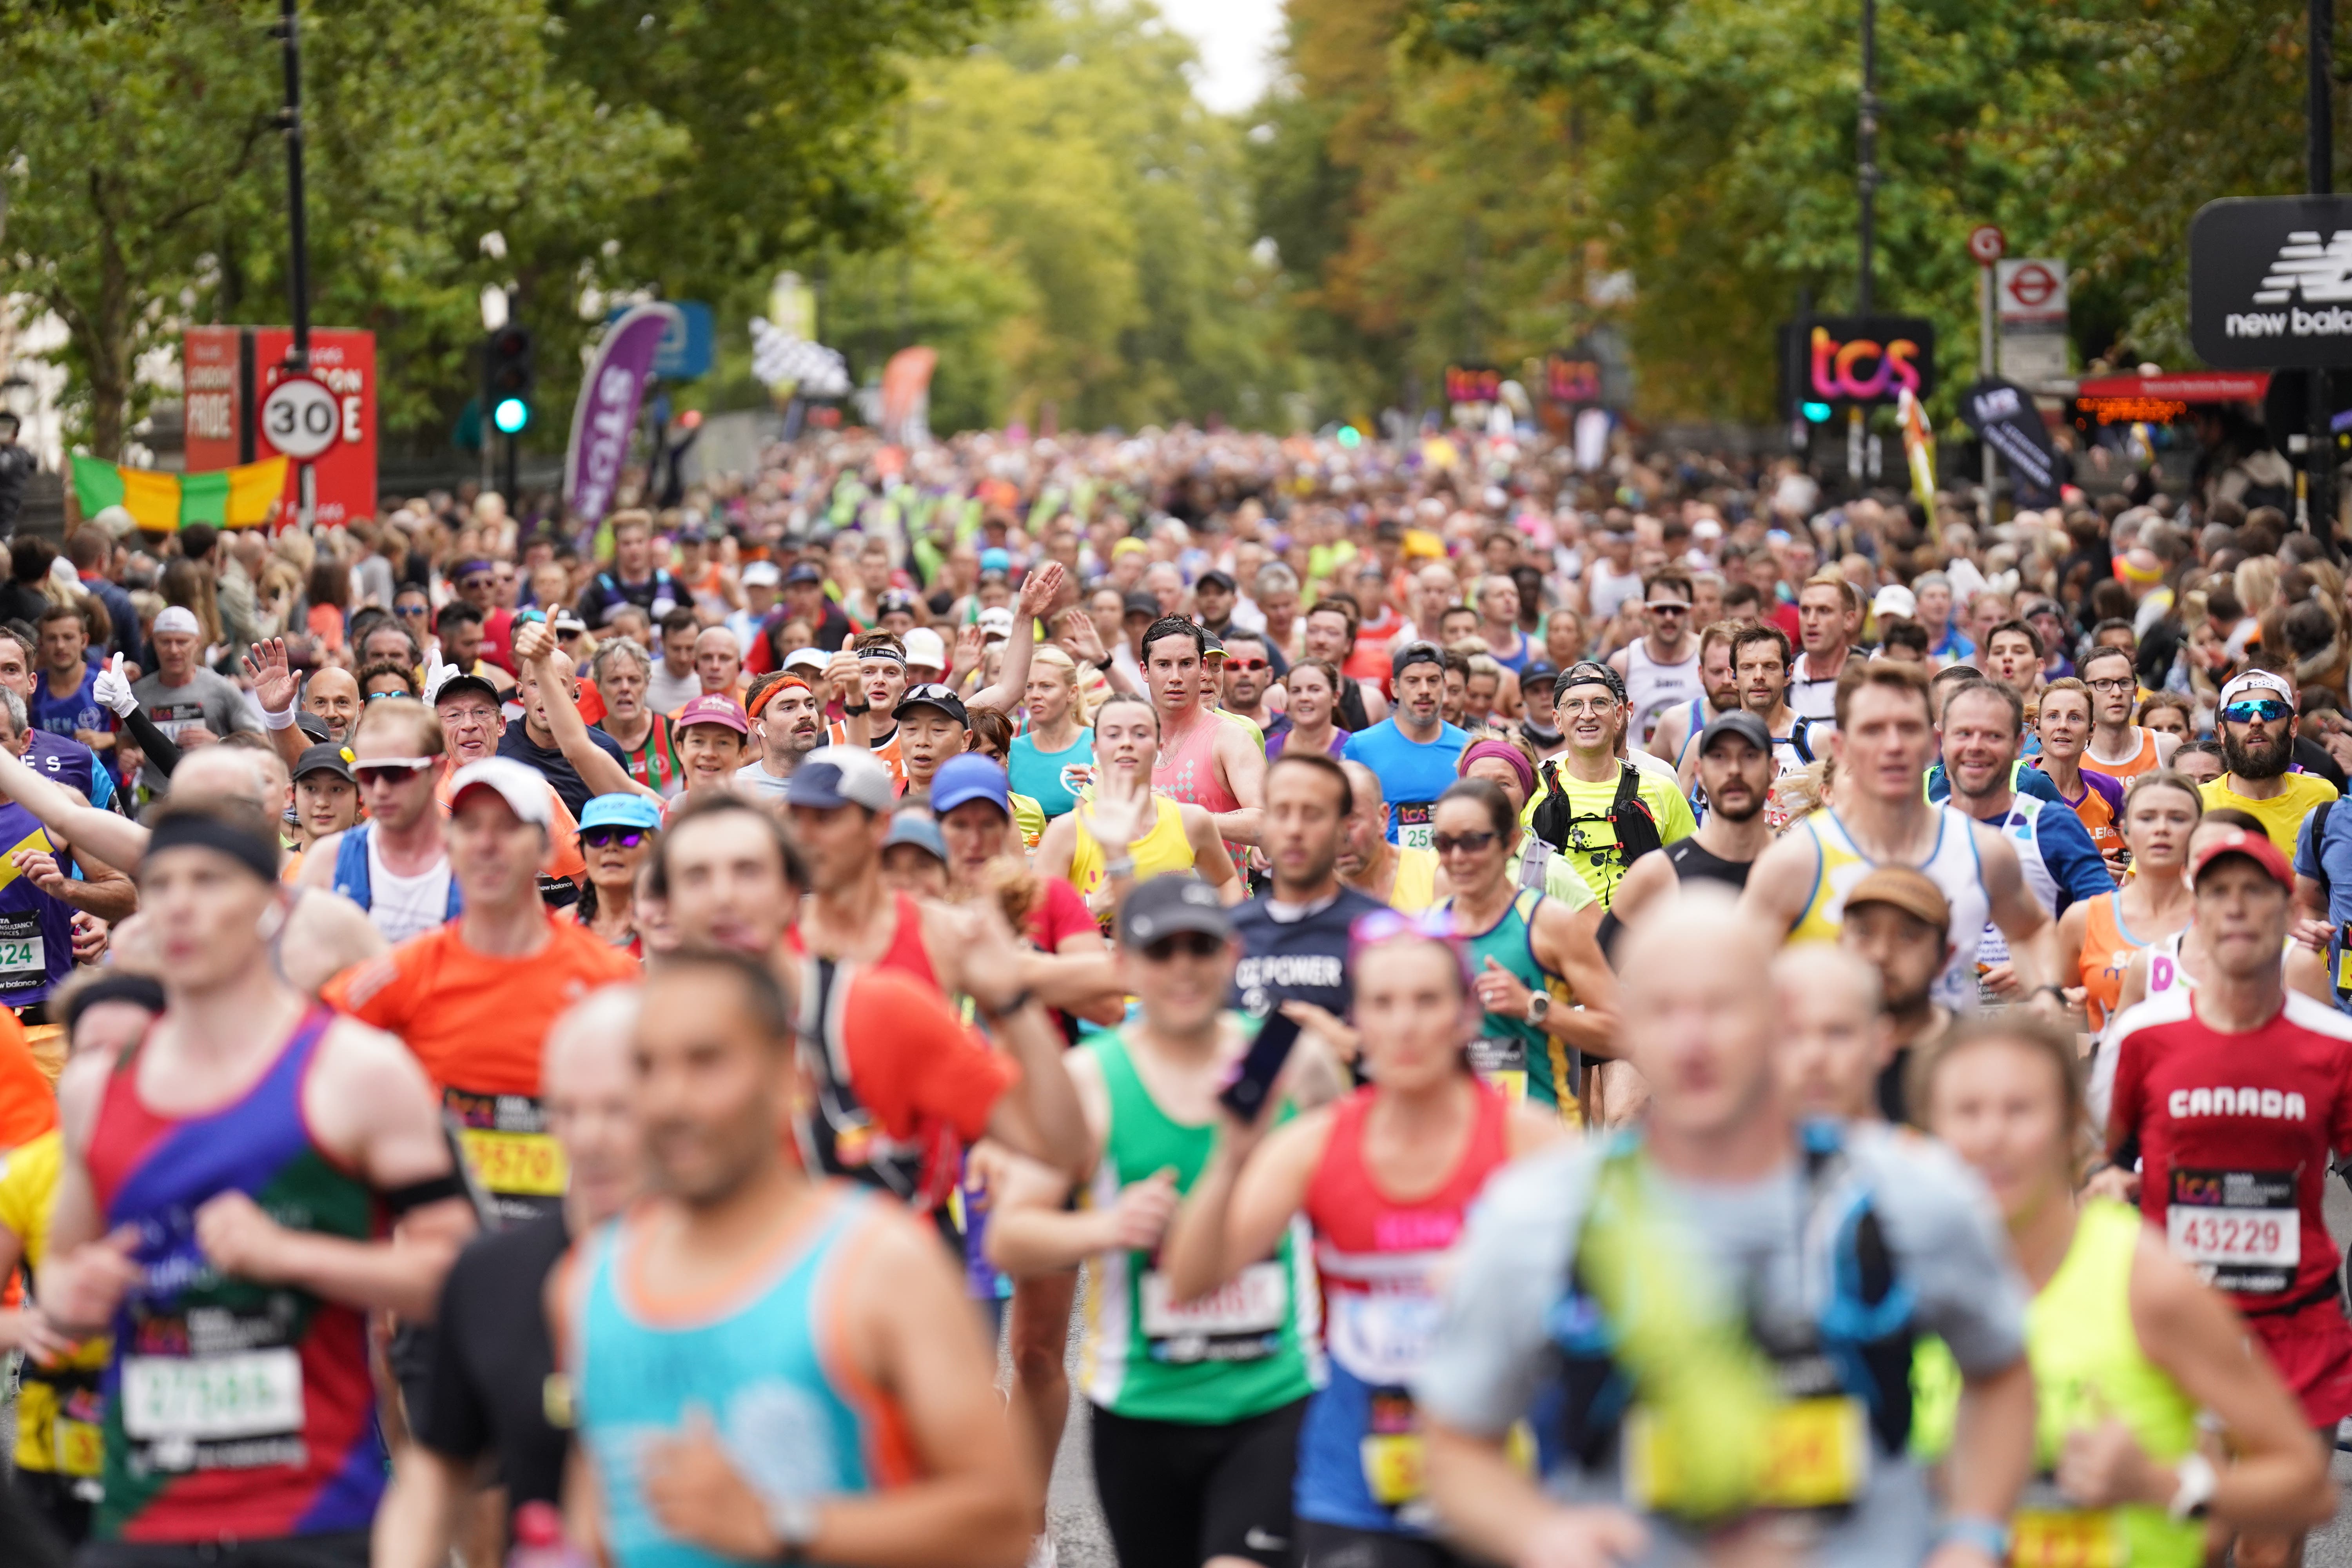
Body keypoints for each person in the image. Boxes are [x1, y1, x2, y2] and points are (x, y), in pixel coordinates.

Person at [1416, 887, 2035, 1568]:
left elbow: (2002, 1370)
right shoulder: (1544, 1213)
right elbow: (1453, 1445)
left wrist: (1974, 1535)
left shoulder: (1908, 1194)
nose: (1692, 1041)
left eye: (1721, 1007)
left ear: (1777, 1018)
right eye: (1661, 1011)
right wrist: (1538, 1534)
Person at [39, 798, 475, 1563]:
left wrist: (289, 1256)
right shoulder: (95, 1087)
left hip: (311, 1513)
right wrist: (75, 1297)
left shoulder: (356, 1071)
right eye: (162, 883)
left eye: (208, 881)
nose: (180, 903)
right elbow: (64, 1282)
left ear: (276, 907)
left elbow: (458, 1276)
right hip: (146, 1514)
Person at [559, 946, 1035, 1568]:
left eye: (707, 1063)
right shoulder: (588, 1282)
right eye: (647, 1067)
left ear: (791, 1075)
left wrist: (783, 1525)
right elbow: (598, 1520)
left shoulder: (883, 1264)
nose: (672, 1099)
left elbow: (1002, 1521)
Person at [1157, 908, 1569, 1564]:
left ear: (1465, 1016)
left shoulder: (1532, 1144)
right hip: (1356, 1487)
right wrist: (1231, 1156)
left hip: (1509, 1480)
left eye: (1427, 1001)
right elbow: (1190, 1280)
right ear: (1358, 1023)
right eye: (1383, 1003)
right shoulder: (1314, 1147)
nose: (1404, 1024)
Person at [987, 876, 1332, 1568]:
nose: (1183, 967)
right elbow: (1009, 1235)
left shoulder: (1290, 1059)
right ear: (1125, 968)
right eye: (1161, 948)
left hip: (1275, 1395)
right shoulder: (1092, 1081)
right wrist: (1107, 1229)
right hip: (1142, 1406)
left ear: (1231, 955)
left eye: (1200, 948)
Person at [1914, 1012, 2334, 1568]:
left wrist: (2166, 1485)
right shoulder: (1904, 1276)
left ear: (2070, 1129)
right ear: (1930, 1130)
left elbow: (2308, 1487)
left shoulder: (2145, 1279)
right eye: (1968, 1112)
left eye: (2020, 1110)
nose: (1992, 1136)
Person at [2103, 826, 2352, 1551]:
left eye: (2256, 893)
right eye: (2219, 894)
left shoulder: (2333, 1047)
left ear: (2287, 911)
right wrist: (2100, 1183)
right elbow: (2102, 1156)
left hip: (2297, 1322)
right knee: (2198, 1539)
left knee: (2273, 1548)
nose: (2237, 909)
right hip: (2180, 1321)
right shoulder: (2145, 1037)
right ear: (2197, 913)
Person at [373, 985, 642, 1568]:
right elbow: (435, 1472)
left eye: (618, 1109)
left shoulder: (755, 1265)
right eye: (568, 1112)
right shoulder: (492, 1278)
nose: (591, 1138)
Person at [325, 755, 642, 1228]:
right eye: (470, 826)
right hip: (447, 1247)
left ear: (543, 850)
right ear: (449, 846)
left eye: (508, 827)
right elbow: (304, 1052)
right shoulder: (411, 969)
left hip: (569, 1240)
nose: (487, 844)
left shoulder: (608, 976)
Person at [1744, 661, 2067, 1014]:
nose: (1894, 745)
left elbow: (2033, 931)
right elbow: (1737, 983)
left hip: (1945, 1062)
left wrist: (2046, 992)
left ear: (1933, 743)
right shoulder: (1796, 862)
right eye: (1873, 730)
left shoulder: (1983, 851)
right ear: (1840, 748)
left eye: (1909, 729)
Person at [0, 971, 166, 1550]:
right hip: (63, 1457)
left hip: (196, 1461)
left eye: (134, 1053)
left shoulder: (229, 1157)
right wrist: (19, 1323)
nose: (110, 1072)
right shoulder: (33, 1173)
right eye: (92, 1053)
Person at [1429, 778, 1618, 1113]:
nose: (1457, 857)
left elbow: (1622, 1031)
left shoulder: (1550, 923)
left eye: (1473, 842)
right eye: (1444, 843)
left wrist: (1533, 1007)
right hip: (1458, 1136)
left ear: (1510, 842)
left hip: (1541, 1142)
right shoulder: (1430, 929)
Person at [1937, 679, 2114, 1000]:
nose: (1976, 746)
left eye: (1993, 735)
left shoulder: (2052, 824)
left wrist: (2048, 970)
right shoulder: (1921, 829)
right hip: (1943, 1035)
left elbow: (2107, 922)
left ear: (2019, 744)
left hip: (2034, 1027)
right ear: (1943, 741)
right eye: (1963, 734)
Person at [1036, 694, 1241, 915]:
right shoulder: (1065, 832)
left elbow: (1226, 881)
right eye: (1114, 734)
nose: (1127, 743)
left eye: (1140, 734)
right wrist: (1089, 905)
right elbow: (1037, 916)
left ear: (1158, 747)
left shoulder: (1192, 822)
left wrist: (1223, 931)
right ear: (1095, 749)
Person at [1229, 752, 1390, 1021]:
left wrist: (1347, 1047)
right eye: (1281, 813)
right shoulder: (1229, 937)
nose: (1294, 830)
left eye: (1312, 815)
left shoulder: (1380, 934)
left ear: (1343, 828)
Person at [1521, 661, 1695, 907]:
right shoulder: (1531, 790)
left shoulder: (1661, 788)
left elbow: (1692, 874)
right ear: (1557, 720)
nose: (1587, 714)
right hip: (1558, 939)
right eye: (1574, 705)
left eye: (1600, 703)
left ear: (1619, 715)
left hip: (1638, 940)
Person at [1601, 710, 1775, 949]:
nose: (1734, 770)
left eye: (1749, 756)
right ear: (1700, 772)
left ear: (1773, 769)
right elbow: (1597, 971)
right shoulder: (1659, 873)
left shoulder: (1802, 867)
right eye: (1719, 757)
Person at [300, 697, 460, 943]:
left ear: (436, 770)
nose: (380, 790)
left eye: (396, 773)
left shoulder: (480, 859)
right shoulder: (328, 861)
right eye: (367, 774)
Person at [2060, 770, 2200, 1033]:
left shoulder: (2218, 920)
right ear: (2124, 830)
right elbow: (2059, 1018)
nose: (2162, 829)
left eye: (2178, 819)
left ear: (2199, 830)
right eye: (2147, 818)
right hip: (2109, 1069)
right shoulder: (2082, 920)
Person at [1143, 616, 1265, 851]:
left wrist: (1179, 815)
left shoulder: (1231, 738)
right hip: (1146, 888)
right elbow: (1089, 822)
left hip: (1219, 888)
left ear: (1203, 668)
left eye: (1187, 663)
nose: (1176, 677)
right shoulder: (1124, 738)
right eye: (1163, 664)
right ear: (1145, 671)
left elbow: (1266, 824)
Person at [1344, 641, 1469, 851]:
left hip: (1452, 873)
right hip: (1386, 876)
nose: (1424, 691)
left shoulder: (1469, 747)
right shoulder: (1360, 747)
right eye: (1413, 681)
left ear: (1444, 686)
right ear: (1395, 688)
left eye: (1433, 681)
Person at [2201, 668, 2338, 857]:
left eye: (2270, 710)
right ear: (2222, 732)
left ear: (2293, 726)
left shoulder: (2323, 796)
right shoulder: (2199, 803)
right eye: (2241, 712)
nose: (2256, 721)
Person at [129, 604, 260, 789]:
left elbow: (260, 742)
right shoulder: (138, 693)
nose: (174, 650)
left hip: (212, 795)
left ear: (197, 642)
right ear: (154, 643)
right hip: (156, 800)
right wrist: (129, 755)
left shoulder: (221, 689)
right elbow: (125, 741)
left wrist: (220, 743)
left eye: (182, 642)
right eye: (165, 642)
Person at [1769, 944, 1891, 1120]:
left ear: (1881, 1043)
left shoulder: (1926, 1149)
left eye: (1838, 1033)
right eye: (1791, 1035)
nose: (1814, 1057)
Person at [2034, 676, 2128, 875]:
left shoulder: (2108, 789)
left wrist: (2123, 866)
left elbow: (2138, 850)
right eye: (2053, 716)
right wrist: (2087, 867)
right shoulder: (2017, 783)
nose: (2063, 726)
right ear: (2037, 728)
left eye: (2075, 718)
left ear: (2091, 730)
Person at [1606, 570, 1698, 746]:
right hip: (1639, 770)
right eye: (1661, 609)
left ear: (1689, 612)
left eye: (1677, 610)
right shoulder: (1623, 662)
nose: (1669, 617)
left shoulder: (1706, 656)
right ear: (1646, 612)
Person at [1337, 760, 1440, 913]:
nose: (1340, 836)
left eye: (1352, 820)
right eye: (1330, 821)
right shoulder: (1306, 893)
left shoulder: (1435, 873)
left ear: (1383, 818)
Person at [593, 637, 686, 797]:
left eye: (634, 680)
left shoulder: (675, 733)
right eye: (614, 680)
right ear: (598, 684)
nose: (625, 688)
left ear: (647, 683)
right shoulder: (587, 742)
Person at [1726, 622, 1820, 778]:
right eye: (1748, 667)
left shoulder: (1816, 741)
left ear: (1789, 674)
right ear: (1733, 677)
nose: (1759, 676)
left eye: (1770, 666)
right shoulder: (1709, 744)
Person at [1009, 644, 1094, 817]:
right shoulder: (1011, 750)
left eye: (1046, 686)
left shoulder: (1099, 745)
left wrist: (1101, 789)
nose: (1035, 695)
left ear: (1072, 693)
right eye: (1029, 687)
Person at [1646, 620, 1739, 778]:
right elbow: (1648, 785)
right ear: (1701, 674)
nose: (1726, 681)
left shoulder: (1767, 720)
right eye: (1717, 672)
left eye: (1733, 671)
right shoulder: (1675, 722)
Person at [574, 792, 660, 955]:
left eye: (628, 836)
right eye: (597, 837)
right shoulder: (561, 926)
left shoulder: (680, 930)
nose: (611, 847)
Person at [2081, 643, 2180, 783]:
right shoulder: (2071, 756)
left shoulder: (2166, 747)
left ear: (2136, 691)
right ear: (2084, 694)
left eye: (2124, 683)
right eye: (2103, 684)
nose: (2117, 693)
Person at [572, 510, 684, 628]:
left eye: (640, 542)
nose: (634, 550)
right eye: (627, 544)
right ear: (617, 548)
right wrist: (619, 631)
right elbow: (580, 634)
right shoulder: (601, 587)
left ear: (649, 545)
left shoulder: (668, 581)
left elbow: (696, 619)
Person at [31, 604, 111, 766]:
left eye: (68, 637)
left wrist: (109, 738)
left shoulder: (105, 682)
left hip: (101, 784)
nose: (60, 646)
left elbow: (136, 737)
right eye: (52, 638)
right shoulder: (31, 689)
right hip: (49, 785)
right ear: (41, 644)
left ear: (84, 641)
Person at [1789, 570, 1858, 732]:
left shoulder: (1873, 671)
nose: (1811, 621)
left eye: (1824, 611)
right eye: (1805, 611)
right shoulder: (1783, 675)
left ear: (1849, 620)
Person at [289, 741, 362, 864]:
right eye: (310, 789)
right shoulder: (275, 872)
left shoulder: (376, 869)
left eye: (336, 790)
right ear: (293, 797)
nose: (322, 803)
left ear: (360, 799)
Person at [1267, 656, 1347, 761]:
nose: (1304, 698)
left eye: (1314, 690)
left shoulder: (1352, 749)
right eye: (1296, 691)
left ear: (1335, 697)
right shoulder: (1269, 751)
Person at [645, 608, 703, 713]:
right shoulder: (644, 677)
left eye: (690, 648)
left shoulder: (710, 679)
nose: (683, 658)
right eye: (676, 649)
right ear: (662, 642)